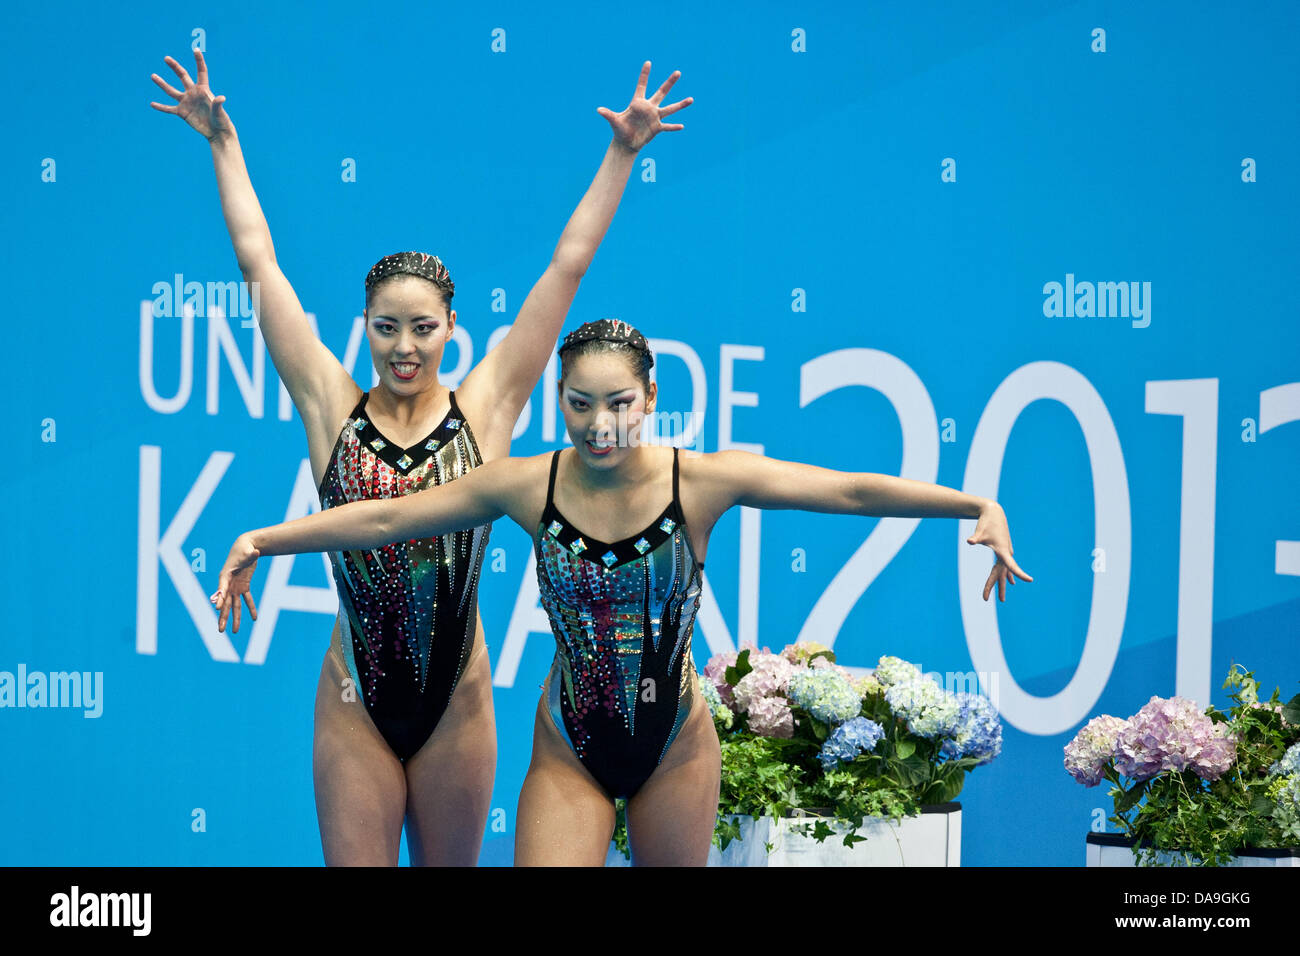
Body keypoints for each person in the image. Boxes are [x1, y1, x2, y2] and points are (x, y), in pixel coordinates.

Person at [212, 319, 1033, 865]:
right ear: (560, 401)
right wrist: (262, 540)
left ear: (650, 399)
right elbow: (387, 517)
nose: (599, 425)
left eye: (619, 404)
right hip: (568, 748)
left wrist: (974, 505)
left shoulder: (700, 482)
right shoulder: (526, 485)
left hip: (675, 746)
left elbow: (848, 490)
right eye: (579, 405)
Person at [151, 49, 693, 865]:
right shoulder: (330, 406)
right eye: (385, 328)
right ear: (365, 327)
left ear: (451, 328)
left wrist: (621, 153)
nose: (404, 347)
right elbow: (257, 262)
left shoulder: (487, 408)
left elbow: (567, 265)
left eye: (423, 328)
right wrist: (223, 143)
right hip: (354, 700)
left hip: (458, 707)